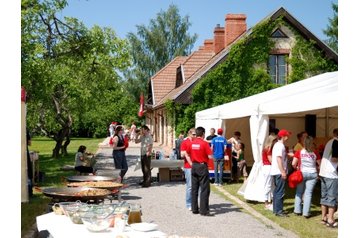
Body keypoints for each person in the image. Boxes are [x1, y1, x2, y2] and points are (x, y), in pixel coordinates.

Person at [292, 136, 321, 218]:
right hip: (313, 174)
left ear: (304, 143)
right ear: (312, 143)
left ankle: (297, 210)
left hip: (302, 174)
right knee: (308, 193)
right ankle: (306, 213)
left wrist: (297, 168)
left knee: (299, 192)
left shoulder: (299, 152)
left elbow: (293, 163)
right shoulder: (316, 152)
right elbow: (320, 165)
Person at [186, 127, 213, 216]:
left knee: (194, 188)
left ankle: (194, 209)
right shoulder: (205, 143)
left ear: (196, 134)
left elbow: (187, 154)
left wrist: (191, 163)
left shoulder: (192, 143)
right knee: (204, 189)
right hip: (202, 166)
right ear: (203, 134)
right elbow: (210, 157)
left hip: (194, 166)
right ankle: (203, 210)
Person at [270, 129, 292, 217]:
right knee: (280, 192)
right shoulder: (280, 146)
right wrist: (283, 171)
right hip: (279, 172)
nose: (288, 137)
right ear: (283, 136)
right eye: (287, 135)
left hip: (276, 171)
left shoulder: (277, 145)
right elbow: (278, 158)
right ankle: (279, 211)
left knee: (276, 191)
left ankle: (276, 209)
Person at [319, 128, 338, 228]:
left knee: (324, 196)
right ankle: (330, 219)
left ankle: (323, 218)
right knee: (332, 197)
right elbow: (335, 159)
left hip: (323, 172)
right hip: (331, 174)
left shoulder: (329, 141)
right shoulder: (336, 142)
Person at [180, 128, 196, 210]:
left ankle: (195, 203)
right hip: (188, 166)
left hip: (197, 166)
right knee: (190, 186)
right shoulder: (185, 142)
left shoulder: (197, 142)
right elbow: (182, 154)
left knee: (197, 186)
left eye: (196, 134)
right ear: (189, 134)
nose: (195, 136)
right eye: (193, 134)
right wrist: (187, 152)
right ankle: (189, 203)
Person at [262, 134, 277, 210]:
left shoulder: (267, 148)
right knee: (268, 186)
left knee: (271, 186)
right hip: (268, 167)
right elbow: (270, 159)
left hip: (267, 167)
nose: (276, 142)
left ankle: (270, 202)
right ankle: (266, 203)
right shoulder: (268, 148)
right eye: (275, 140)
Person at [26, 129, 33, 197]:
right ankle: (29, 191)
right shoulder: (25, 128)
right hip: (24, 153)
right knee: (27, 171)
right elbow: (29, 143)